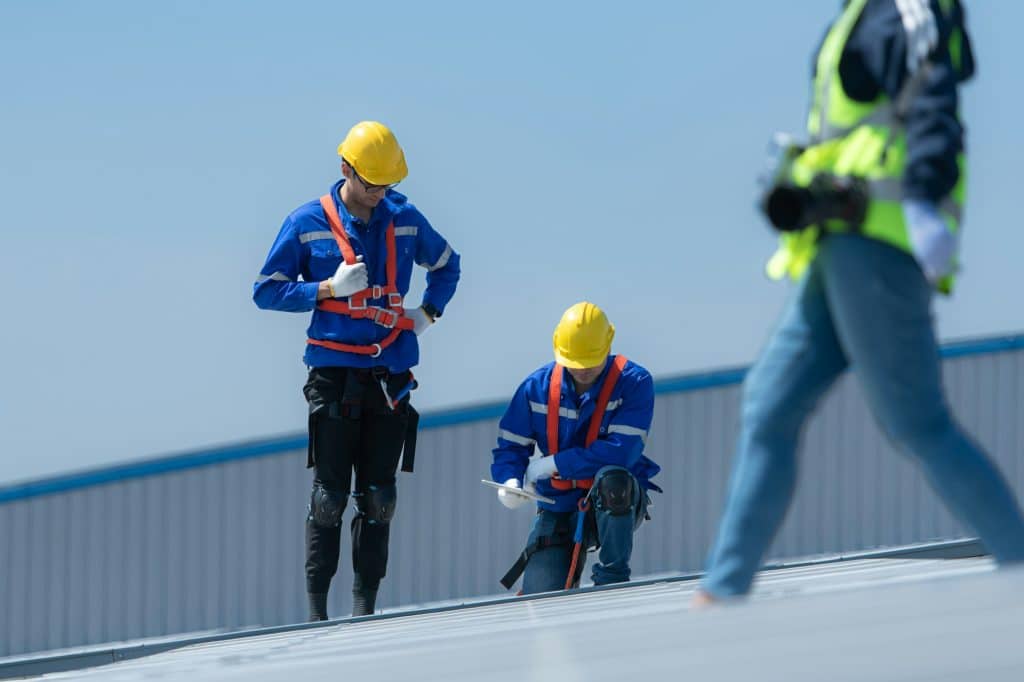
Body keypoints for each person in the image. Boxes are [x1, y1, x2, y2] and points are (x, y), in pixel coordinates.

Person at [694, 0, 1024, 605]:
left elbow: (933, 97)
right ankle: (722, 590)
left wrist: (925, 200)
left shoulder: (908, 8)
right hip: (836, 242)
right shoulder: (864, 12)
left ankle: (1020, 561)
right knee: (769, 403)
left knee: (919, 423)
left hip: (875, 238)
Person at [253, 121, 460, 619]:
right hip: (333, 374)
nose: (379, 195)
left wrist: (428, 313)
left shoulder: (406, 218)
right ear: (346, 169)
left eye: (387, 185)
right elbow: (266, 290)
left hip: (389, 375)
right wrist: (325, 289)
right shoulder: (306, 222)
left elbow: (448, 265)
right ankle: (317, 613)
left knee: (379, 499)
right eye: (371, 185)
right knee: (329, 497)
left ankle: (365, 608)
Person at [491, 302, 661, 594]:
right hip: (557, 505)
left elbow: (622, 452)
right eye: (575, 363)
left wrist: (551, 465)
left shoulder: (634, 383)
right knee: (541, 598)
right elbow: (511, 446)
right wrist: (509, 480)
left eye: (590, 362)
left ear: (608, 345)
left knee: (614, 481)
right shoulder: (536, 388)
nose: (582, 371)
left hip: (614, 501)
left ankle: (612, 580)